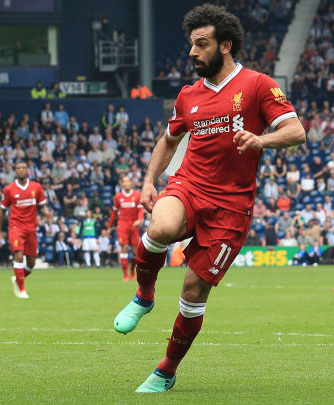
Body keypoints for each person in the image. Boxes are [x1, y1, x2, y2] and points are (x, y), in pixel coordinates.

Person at [112, 4, 305, 392]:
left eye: (202, 44)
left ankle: (165, 370)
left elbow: (296, 131)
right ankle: (144, 295)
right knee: (162, 226)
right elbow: (169, 140)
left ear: (226, 46)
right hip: (190, 185)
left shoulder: (257, 85)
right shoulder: (188, 96)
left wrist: (260, 138)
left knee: (193, 292)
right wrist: (150, 180)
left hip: (232, 207)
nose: (192, 53)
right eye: (191, 45)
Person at [0, 161, 48, 299]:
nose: (21, 170)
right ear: (15, 171)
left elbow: (42, 206)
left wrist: (47, 213)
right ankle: (22, 289)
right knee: (18, 255)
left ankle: (18, 278)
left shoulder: (36, 187)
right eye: (18, 168)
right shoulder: (9, 189)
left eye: (23, 168)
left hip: (31, 228)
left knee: (31, 262)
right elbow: (2, 211)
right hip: (16, 227)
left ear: (28, 171)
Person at [107, 176, 144, 281]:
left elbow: (140, 210)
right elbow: (114, 213)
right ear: (121, 184)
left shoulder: (137, 195)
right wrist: (109, 227)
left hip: (134, 226)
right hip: (122, 225)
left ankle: (132, 271)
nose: (127, 183)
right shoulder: (118, 197)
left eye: (128, 181)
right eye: (125, 182)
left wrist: (140, 220)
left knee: (134, 251)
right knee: (124, 248)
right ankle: (125, 275)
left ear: (131, 183)